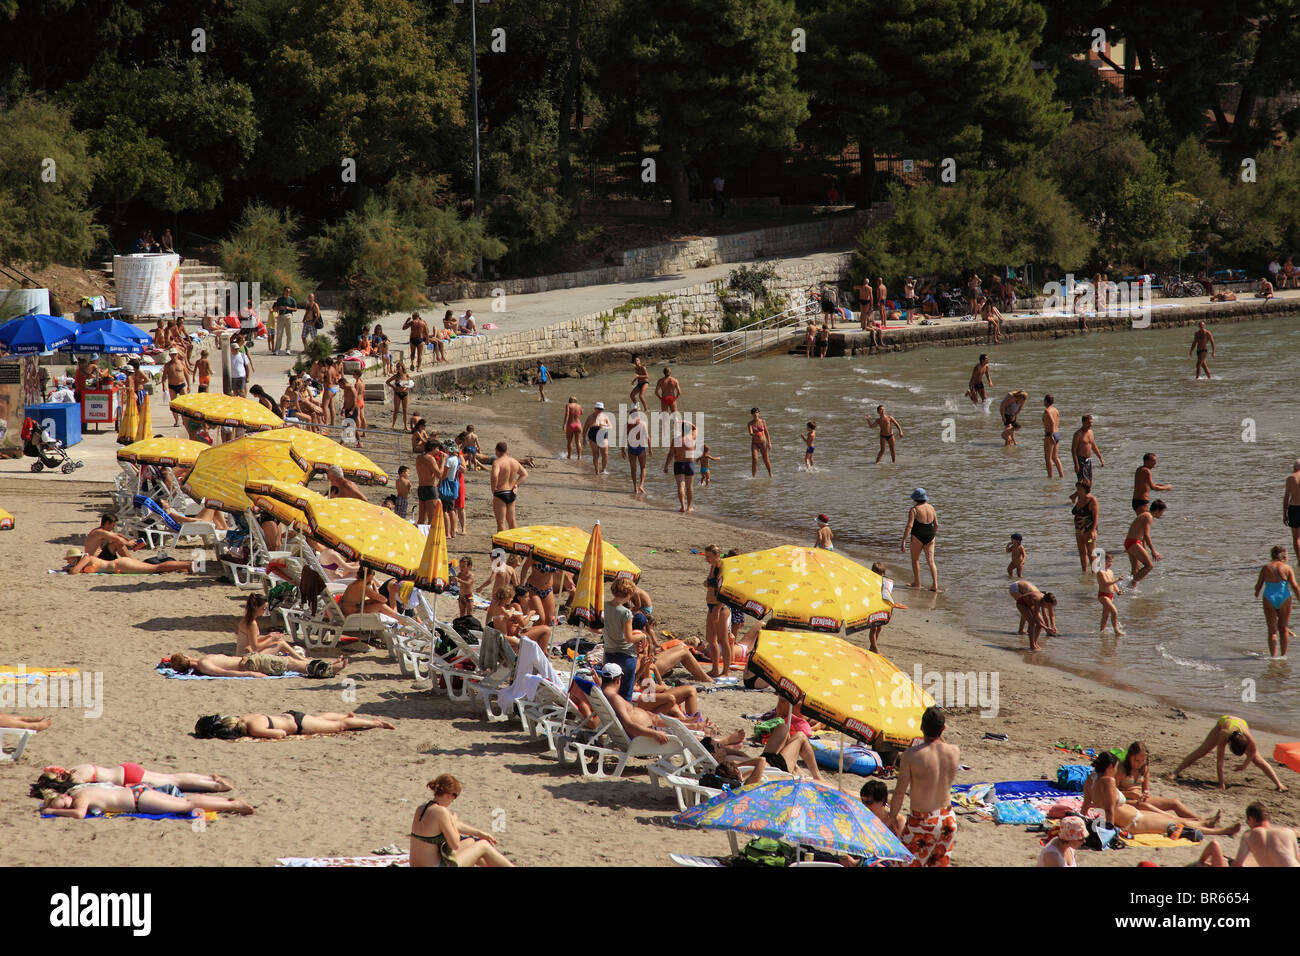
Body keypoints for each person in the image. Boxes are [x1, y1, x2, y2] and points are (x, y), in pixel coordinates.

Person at [1083, 752, 1237, 840]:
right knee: (1176, 823)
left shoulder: (1091, 778)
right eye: (1115, 768)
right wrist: (1110, 834)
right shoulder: (1108, 781)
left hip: (1134, 816)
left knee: (1176, 819)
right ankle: (1222, 831)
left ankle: (1204, 822)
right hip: (1134, 822)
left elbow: (1086, 805)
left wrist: (1082, 822)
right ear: (1110, 767)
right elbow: (1109, 810)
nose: (1117, 771)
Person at [889, 707, 960, 866]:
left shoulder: (911, 755)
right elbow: (941, 743)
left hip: (923, 821)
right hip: (947, 818)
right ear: (944, 728)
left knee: (902, 863)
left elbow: (900, 792)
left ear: (921, 727)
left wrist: (892, 817)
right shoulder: (954, 751)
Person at [409, 774, 512, 867]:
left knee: (471, 842)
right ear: (450, 795)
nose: (452, 802)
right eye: (453, 799)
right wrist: (453, 821)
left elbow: (452, 825)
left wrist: (479, 833)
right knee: (483, 846)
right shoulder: (441, 812)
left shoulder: (422, 808)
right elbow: (455, 844)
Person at [1169, 715, 1287, 792]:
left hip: (1241, 723)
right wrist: (1221, 784)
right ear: (1229, 744)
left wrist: (1244, 766)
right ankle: (1175, 772)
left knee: (1257, 759)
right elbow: (1220, 762)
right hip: (1224, 721)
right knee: (1203, 750)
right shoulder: (1223, 734)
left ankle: (1279, 784)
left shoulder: (1247, 736)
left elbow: (1253, 752)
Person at [40, 784, 254, 818]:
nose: (67, 806)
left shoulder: (81, 797)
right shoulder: (82, 790)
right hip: (138, 791)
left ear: (63, 797)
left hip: (139, 799)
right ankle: (227, 801)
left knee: (187, 806)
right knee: (186, 802)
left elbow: (78, 814)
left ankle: (232, 805)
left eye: (62, 804)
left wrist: (53, 812)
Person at [33, 763, 232, 795]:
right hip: (126, 769)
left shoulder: (77, 776)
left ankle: (214, 785)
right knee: (174, 777)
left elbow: (79, 789)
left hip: (127, 777)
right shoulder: (76, 766)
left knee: (176, 782)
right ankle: (208, 778)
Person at [194, 712, 395, 739]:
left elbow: (280, 734)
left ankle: (375, 723)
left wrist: (259, 736)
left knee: (340, 726)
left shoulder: (254, 729)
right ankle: (348, 715)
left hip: (298, 725)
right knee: (324, 719)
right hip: (292, 715)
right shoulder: (248, 716)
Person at [1254, 545, 1299, 657]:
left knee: (1272, 631)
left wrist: (1257, 592)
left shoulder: (1266, 567)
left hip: (1269, 597)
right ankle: (1283, 656)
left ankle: (1273, 657)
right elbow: (1294, 586)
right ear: (1284, 556)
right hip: (1284, 597)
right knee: (1283, 629)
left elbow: (1258, 585)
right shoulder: (1287, 568)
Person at [167, 650, 344, 679]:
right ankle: (329, 670)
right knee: (291, 664)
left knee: (291, 661)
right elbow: (227, 674)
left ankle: (328, 665)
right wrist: (251, 675)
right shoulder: (204, 665)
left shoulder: (201, 661)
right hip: (251, 665)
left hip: (250, 659)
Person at [235, 593, 304, 658]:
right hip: (246, 658)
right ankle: (301, 659)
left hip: (244, 655)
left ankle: (295, 656)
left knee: (278, 640)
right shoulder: (252, 624)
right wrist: (271, 639)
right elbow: (255, 647)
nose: (264, 611)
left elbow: (251, 640)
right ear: (256, 607)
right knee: (280, 643)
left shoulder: (246, 620)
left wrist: (269, 636)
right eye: (263, 608)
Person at [1230, 804, 1299, 866]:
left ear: (1251, 819)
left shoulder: (1248, 835)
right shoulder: (1288, 832)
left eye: (1247, 822)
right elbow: (1297, 859)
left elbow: (1238, 864)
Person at [702, 545, 732, 677]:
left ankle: (726, 670)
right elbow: (712, 584)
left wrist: (718, 609)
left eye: (709, 557)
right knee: (710, 638)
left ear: (716, 555)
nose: (707, 559)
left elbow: (725, 591)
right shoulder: (712, 566)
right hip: (711, 605)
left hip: (720, 607)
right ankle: (715, 668)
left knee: (723, 640)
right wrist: (707, 583)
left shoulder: (722, 568)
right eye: (706, 556)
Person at [901, 488, 938, 591]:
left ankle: (917, 583)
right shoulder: (931, 508)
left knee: (915, 560)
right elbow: (936, 524)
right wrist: (933, 535)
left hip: (918, 535)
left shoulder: (914, 510)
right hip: (930, 535)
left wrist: (904, 540)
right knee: (931, 561)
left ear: (915, 499)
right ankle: (935, 585)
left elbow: (909, 526)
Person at [1123, 500, 1166, 586]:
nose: (1162, 515)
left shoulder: (1145, 515)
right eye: (1162, 512)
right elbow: (1146, 535)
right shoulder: (1148, 516)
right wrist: (1153, 551)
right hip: (1133, 543)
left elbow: (1142, 535)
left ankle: (1130, 591)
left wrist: (1144, 548)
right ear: (1157, 511)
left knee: (1136, 570)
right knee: (1149, 566)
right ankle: (1130, 584)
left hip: (1131, 542)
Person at [488, 441, 527, 532]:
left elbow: (494, 475)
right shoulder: (514, 461)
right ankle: (516, 541)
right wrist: (516, 484)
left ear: (497, 451)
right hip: (511, 493)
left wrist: (493, 489)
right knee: (512, 520)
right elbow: (524, 474)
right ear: (506, 450)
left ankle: (502, 545)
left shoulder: (497, 462)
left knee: (501, 522)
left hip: (501, 492)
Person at [62, 549, 192, 575]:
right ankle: (184, 566)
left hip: (120, 565)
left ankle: (187, 564)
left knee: (155, 568)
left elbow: (74, 572)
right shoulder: (85, 560)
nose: (68, 561)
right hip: (121, 563)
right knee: (154, 567)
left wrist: (68, 569)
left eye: (69, 559)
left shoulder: (86, 558)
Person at [1009, 579, 1057, 650]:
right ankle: (1032, 645)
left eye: (1051, 606)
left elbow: (1051, 615)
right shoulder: (1037, 600)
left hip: (1029, 603)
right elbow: (1036, 618)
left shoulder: (1050, 602)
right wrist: (1046, 628)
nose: (1050, 608)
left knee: (1040, 625)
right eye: (1049, 606)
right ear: (1044, 602)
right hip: (1021, 603)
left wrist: (1053, 626)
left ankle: (1034, 643)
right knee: (1032, 623)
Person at [663, 419, 698, 513]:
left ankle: (682, 507)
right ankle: (689, 507)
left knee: (680, 486)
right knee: (689, 486)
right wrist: (685, 421)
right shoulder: (692, 437)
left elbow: (671, 454)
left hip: (679, 464)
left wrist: (666, 465)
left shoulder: (676, 440)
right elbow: (695, 428)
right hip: (690, 464)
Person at [1070, 478, 1100, 572]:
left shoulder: (1092, 500)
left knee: (1091, 552)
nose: (1077, 491)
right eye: (1077, 488)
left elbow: (1096, 516)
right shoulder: (1080, 498)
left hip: (1089, 531)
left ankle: (1095, 573)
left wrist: (1093, 530)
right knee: (1082, 552)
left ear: (1085, 489)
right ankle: (1084, 573)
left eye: (1079, 489)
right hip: (1079, 530)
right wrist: (1073, 498)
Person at [624, 407, 651, 496]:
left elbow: (624, 438)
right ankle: (641, 485)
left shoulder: (627, 424)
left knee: (633, 468)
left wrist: (622, 450)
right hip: (640, 447)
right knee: (643, 467)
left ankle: (635, 487)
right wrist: (650, 449)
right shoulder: (642, 424)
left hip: (631, 448)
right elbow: (647, 437)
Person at [1070, 414, 1104, 484]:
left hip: (1089, 460)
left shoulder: (1091, 432)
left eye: (1091, 422)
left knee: (1089, 483)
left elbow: (1093, 446)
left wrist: (1100, 458)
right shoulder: (1078, 434)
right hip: (1080, 461)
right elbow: (1073, 451)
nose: (1091, 424)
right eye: (1089, 423)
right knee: (1083, 484)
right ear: (1083, 422)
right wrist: (1076, 464)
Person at [1097, 551, 1124, 636]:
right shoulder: (1101, 572)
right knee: (1114, 612)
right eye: (1108, 561)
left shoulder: (1110, 571)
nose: (1110, 563)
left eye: (1111, 561)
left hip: (1110, 595)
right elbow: (1106, 583)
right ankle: (1116, 630)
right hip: (1103, 596)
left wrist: (1117, 590)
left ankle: (1102, 631)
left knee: (1105, 615)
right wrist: (1117, 580)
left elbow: (1113, 584)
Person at [583, 402, 611, 475]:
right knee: (595, 454)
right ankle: (597, 471)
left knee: (605, 454)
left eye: (601, 409)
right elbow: (585, 428)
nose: (600, 410)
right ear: (595, 409)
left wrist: (604, 427)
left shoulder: (605, 417)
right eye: (598, 409)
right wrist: (584, 439)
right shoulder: (590, 417)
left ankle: (604, 470)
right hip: (593, 436)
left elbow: (611, 427)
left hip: (602, 436)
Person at [1041, 395, 1063, 478]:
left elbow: (1052, 422)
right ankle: (1061, 475)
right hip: (1057, 433)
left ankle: (1050, 477)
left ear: (1046, 401)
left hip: (1050, 434)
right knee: (1055, 457)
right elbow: (1057, 422)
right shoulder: (1056, 410)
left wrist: (1051, 435)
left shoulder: (1047, 410)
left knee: (1048, 458)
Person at [1282, 460, 1300, 562]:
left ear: (1294, 468)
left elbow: (1286, 497)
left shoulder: (1291, 478)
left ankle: (1299, 560)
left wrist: (1284, 514)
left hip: (1294, 508)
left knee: (1296, 538)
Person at [747, 407, 773, 477]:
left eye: (757, 412)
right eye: (754, 413)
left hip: (763, 443)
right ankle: (753, 477)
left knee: (766, 460)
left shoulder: (763, 421)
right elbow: (750, 433)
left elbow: (767, 432)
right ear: (752, 414)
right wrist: (756, 434)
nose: (756, 414)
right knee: (755, 460)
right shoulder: (750, 423)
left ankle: (770, 474)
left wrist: (769, 442)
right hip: (755, 443)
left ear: (759, 413)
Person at [272, 286, 297, 354]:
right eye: (286, 291)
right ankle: (277, 349)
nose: (288, 293)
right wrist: (279, 308)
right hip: (281, 317)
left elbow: (295, 309)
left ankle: (288, 349)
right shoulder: (279, 299)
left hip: (289, 316)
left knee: (289, 334)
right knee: (279, 334)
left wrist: (288, 308)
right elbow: (276, 308)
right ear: (284, 291)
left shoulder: (292, 300)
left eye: (289, 291)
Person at [387, 358, 410, 429]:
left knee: (405, 410)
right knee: (396, 410)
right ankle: (393, 425)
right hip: (397, 393)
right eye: (397, 367)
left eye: (398, 367)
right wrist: (393, 387)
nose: (397, 368)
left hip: (405, 393)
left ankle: (405, 426)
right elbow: (387, 382)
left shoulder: (406, 375)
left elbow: (409, 384)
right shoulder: (396, 376)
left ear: (402, 367)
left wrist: (406, 388)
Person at [563, 396, 583, 460]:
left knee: (569, 441)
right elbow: (581, 413)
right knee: (578, 442)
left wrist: (564, 424)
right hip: (578, 424)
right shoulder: (579, 406)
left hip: (570, 424)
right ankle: (579, 457)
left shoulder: (568, 405)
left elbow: (567, 414)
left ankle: (569, 456)